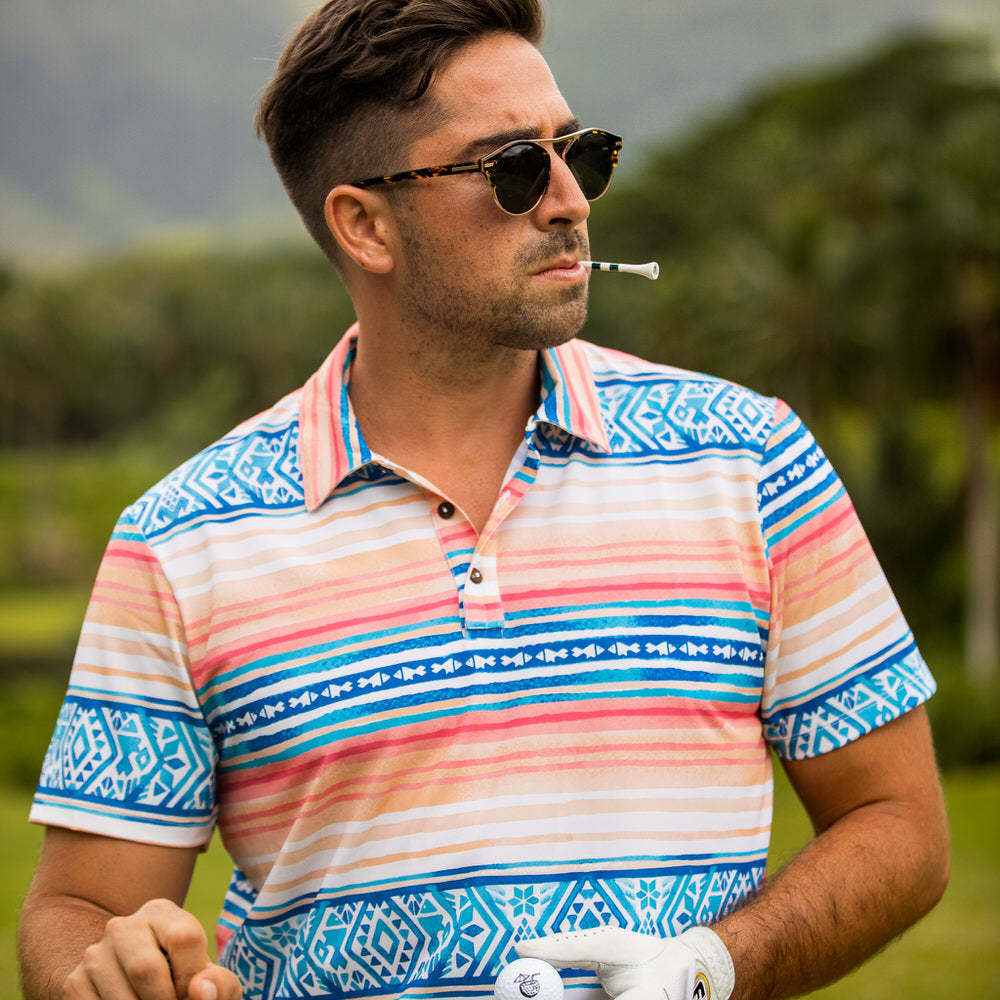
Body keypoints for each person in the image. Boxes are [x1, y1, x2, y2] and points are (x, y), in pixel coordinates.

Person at [18, 2, 949, 999]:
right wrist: (105, 970)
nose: (569, 201)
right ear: (364, 225)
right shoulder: (181, 542)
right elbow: (79, 907)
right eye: (512, 168)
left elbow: (898, 821)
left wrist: (708, 967)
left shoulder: (749, 460)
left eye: (578, 154)